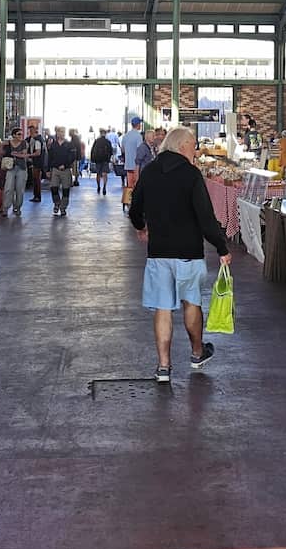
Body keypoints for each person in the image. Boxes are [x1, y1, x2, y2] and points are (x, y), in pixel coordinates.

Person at [129, 126, 230, 383]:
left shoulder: (150, 171)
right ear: (182, 146)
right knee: (191, 302)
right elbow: (206, 219)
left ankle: (163, 366)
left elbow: (134, 208)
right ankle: (197, 352)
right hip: (188, 252)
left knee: (163, 307)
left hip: (159, 252)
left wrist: (141, 228)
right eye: (193, 145)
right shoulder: (191, 174)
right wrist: (222, 247)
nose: (196, 150)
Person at [47, 126, 77, 216]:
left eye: (63, 132)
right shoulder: (53, 145)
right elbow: (49, 157)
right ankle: (56, 203)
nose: (62, 133)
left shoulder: (70, 144)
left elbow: (73, 157)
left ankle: (63, 207)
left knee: (66, 189)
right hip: (55, 169)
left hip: (66, 170)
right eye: (60, 132)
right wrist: (48, 169)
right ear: (57, 133)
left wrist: (66, 165)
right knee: (54, 188)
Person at [2, 127, 30, 216]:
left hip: (21, 168)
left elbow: (24, 155)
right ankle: (6, 208)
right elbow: (3, 152)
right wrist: (19, 154)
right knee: (8, 188)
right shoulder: (8, 143)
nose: (21, 136)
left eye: (21, 134)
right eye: (18, 134)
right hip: (10, 168)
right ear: (13, 135)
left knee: (20, 189)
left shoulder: (24, 143)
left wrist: (16, 154)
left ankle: (17, 207)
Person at [89, 128, 113, 195]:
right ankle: (104, 187)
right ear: (105, 134)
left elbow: (93, 150)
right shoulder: (108, 142)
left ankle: (98, 186)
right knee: (105, 174)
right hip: (105, 160)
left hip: (98, 160)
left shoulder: (97, 141)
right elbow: (111, 151)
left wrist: (92, 159)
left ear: (100, 133)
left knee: (98, 174)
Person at [122, 118, 144, 190]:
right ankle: (135, 200)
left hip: (128, 164)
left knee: (129, 186)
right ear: (138, 125)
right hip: (136, 165)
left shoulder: (126, 136)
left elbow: (123, 149)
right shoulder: (138, 136)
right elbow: (140, 150)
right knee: (136, 185)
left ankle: (128, 200)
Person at [26, 122, 45, 202]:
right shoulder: (36, 139)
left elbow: (38, 153)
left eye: (31, 131)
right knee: (36, 179)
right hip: (38, 162)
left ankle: (37, 196)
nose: (30, 133)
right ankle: (36, 195)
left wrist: (29, 155)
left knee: (36, 179)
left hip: (37, 162)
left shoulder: (37, 140)